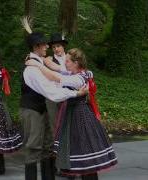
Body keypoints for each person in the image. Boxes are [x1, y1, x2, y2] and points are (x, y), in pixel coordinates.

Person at [26, 48, 118, 180]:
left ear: (76, 63)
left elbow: (56, 77)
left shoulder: (78, 79)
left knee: (84, 150)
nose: (65, 63)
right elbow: (55, 68)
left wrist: (37, 65)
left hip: (79, 115)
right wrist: (40, 60)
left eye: (68, 61)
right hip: (73, 113)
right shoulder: (79, 73)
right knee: (79, 149)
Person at [20, 21, 88, 180]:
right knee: (34, 146)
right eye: (44, 45)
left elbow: (55, 79)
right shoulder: (32, 68)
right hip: (32, 110)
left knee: (48, 145)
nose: (47, 47)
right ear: (36, 47)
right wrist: (76, 94)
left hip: (43, 108)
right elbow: (51, 92)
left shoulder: (39, 63)